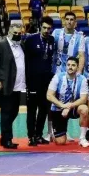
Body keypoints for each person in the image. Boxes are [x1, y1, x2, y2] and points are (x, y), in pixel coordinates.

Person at [0, 23, 26, 149]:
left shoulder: (21, 45)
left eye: (19, 33)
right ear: (9, 32)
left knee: (14, 111)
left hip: (17, 86)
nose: (17, 35)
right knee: (6, 112)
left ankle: (4, 137)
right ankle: (7, 139)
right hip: (4, 85)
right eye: (15, 33)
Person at [24, 16, 55, 146]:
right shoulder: (30, 40)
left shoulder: (52, 40)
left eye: (49, 28)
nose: (46, 30)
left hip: (46, 81)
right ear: (40, 27)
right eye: (44, 28)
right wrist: (27, 80)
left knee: (43, 109)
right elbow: (25, 61)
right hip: (32, 81)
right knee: (32, 110)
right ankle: (31, 136)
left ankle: (39, 135)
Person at [46, 57, 89, 147]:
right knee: (60, 142)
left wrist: (69, 106)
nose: (70, 67)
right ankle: (56, 132)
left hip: (73, 108)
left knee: (84, 108)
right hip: (59, 108)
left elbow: (83, 99)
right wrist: (63, 105)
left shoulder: (82, 79)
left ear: (77, 67)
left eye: (73, 65)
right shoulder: (58, 77)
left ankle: (82, 138)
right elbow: (49, 95)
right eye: (68, 65)